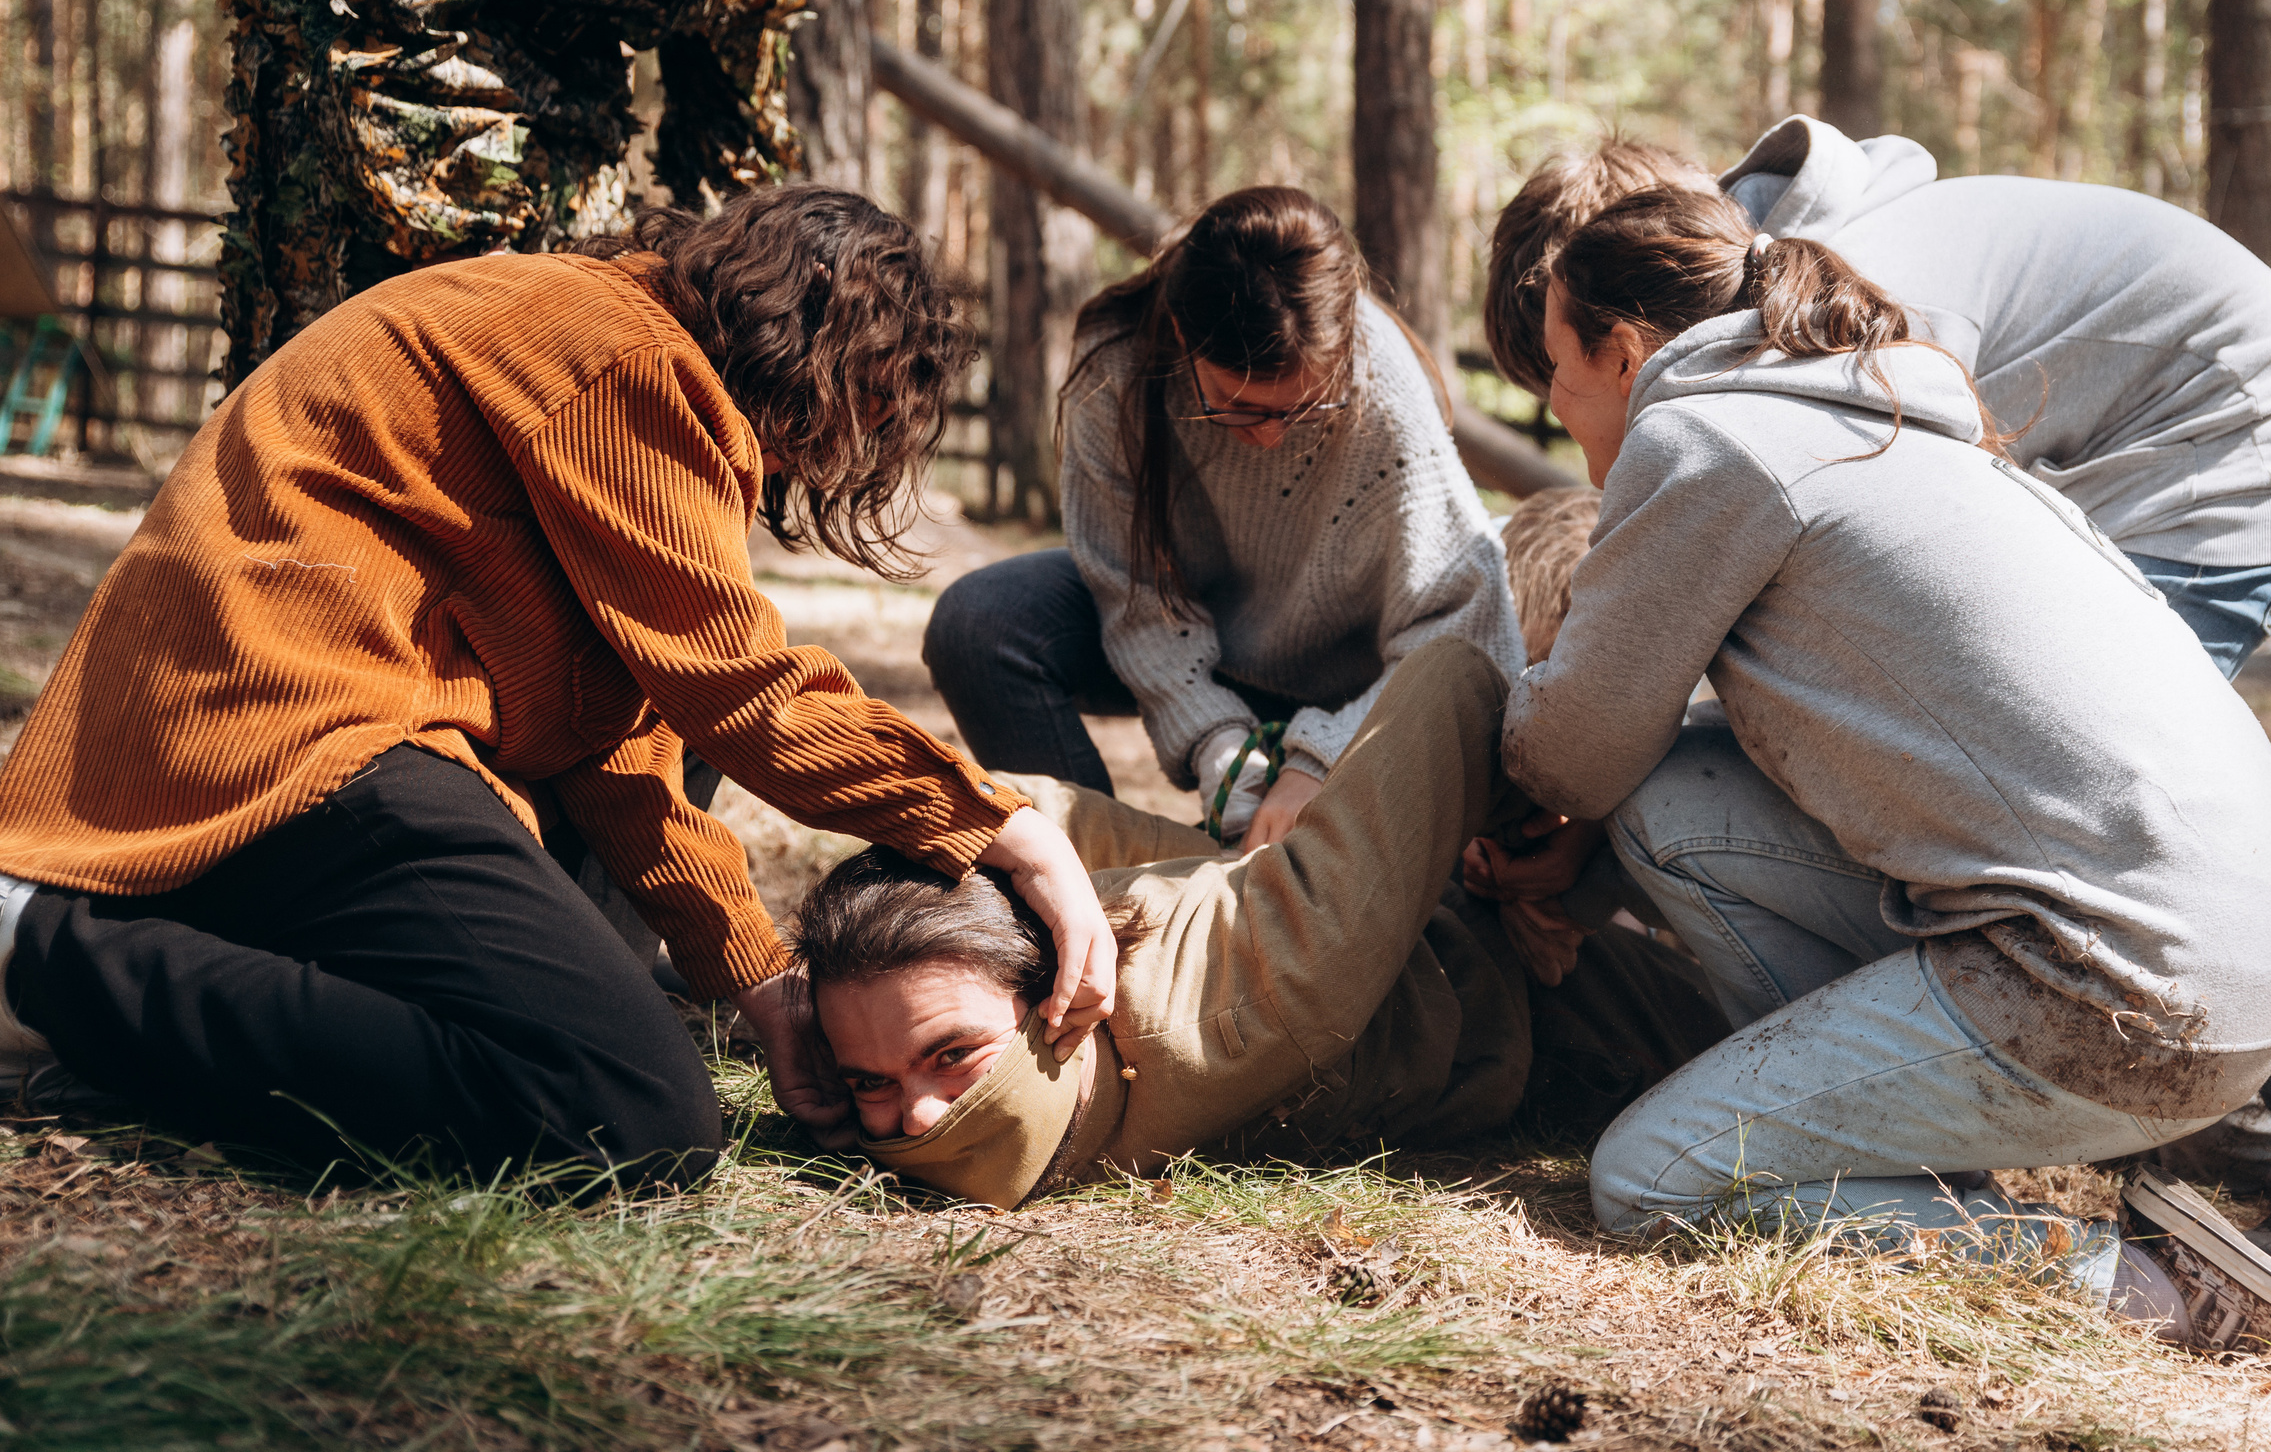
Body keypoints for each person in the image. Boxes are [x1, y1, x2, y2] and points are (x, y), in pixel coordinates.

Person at [1480, 128, 2271, 1289]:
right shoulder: (1863, 370)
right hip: (2198, 946)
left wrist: (1502, 726)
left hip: (2223, 465)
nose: (1551, 406)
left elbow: (1573, 752)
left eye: (1554, 370)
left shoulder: (1707, 425)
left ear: (1622, 351)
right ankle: (1916, 1123)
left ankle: (2169, 1270)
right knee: (1681, 798)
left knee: (1648, 1178)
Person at [0, 187, 1113, 1186]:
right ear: (820, 358)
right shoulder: (619, 352)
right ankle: (41, 948)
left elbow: (615, 738)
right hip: (293, 733)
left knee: (601, 1038)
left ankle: (141, 959)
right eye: (848, 421)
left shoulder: (596, 355)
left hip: (293, 733)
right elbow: (739, 687)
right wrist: (1006, 830)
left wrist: (759, 984)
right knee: (626, 1112)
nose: (809, 467)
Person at [798, 638, 1725, 1206]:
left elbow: (1456, 684)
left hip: (1520, 967)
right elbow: (1454, 680)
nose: (915, 1117)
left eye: (951, 1054)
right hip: (1496, 997)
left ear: (1065, 975)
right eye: (866, 1081)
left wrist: (1557, 847)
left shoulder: (1246, 980)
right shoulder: (1228, 986)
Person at [923, 187, 1523, 849]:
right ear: (1182, 335)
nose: (1269, 436)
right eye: (1237, 408)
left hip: (1350, 688)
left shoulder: (1384, 392)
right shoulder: (1117, 367)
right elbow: (1132, 596)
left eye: (1298, 411)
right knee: (978, 624)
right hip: (1197, 643)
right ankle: (1093, 876)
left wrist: (1321, 758)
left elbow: (1468, 633)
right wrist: (1214, 737)